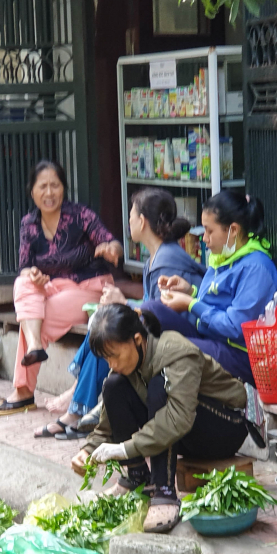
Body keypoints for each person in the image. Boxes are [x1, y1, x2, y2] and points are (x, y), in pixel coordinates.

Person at [73, 304, 260, 533]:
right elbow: (106, 424)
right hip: (189, 430)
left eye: (115, 356)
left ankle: (164, 491)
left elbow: (178, 418)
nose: (112, 365)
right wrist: (88, 450)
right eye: (107, 359)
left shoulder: (175, 351)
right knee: (113, 385)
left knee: (158, 387)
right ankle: (137, 476)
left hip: (226, 427)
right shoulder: (127, 363)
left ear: (137, 339)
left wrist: (125, 449)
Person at [34, 188, 204, 439]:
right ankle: (78, 400)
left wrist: (123, 302)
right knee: (102, 324)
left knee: (109, 332)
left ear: (143, 221)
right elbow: (150, 305)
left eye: (132, 216)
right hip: (162, 334)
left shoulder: (166, 260)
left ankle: (78, 407)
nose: (129, 222)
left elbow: (157, 318)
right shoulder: (156, 257)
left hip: (174, 341)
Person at [0, 160, 122, 417]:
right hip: (53, 288)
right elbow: (24, 267)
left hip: (90, 287)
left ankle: (24, 390)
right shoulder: (29, 223)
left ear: (64, 188)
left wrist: (111, 249)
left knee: (34, 320)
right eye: (43, 187)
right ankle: (33, 351)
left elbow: (110, 241)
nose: (50, 193)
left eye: (55, 186)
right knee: (23, 284)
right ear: (32, 191)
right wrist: (34, 275)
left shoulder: (81, 215)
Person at [141, 192, 277, 384]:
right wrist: (190, 291)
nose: (204, 238)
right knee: (151, 309)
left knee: (171, 349)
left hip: (240, 356)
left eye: (209, 231)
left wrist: (192, 304)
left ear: (232, 230)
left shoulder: (256, 267)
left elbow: (235, 326)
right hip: (212, 339)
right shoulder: (223, 256)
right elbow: (219, 303)